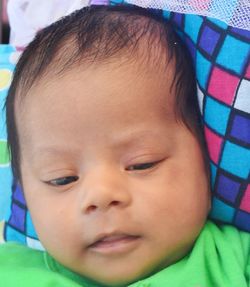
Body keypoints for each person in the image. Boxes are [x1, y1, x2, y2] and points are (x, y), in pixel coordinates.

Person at [0, 4, 249, 287]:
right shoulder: (11, 272)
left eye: (142, 163)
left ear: (207, 163)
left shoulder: (233, 261)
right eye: (62, 179)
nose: (101, 195)